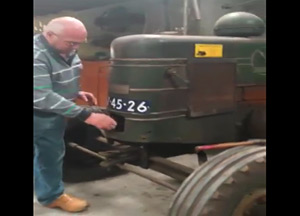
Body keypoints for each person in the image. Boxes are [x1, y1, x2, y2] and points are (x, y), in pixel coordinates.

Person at [34, 16, 117, 213]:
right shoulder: (36, 55)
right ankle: (51, 195)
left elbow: (57, 78)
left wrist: (75, 92)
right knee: (48, 154)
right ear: (49, 34)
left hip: (50, 112)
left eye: (79, 43)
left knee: (48, 154)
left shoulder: (66, 49)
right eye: (71, 43)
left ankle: (49, 193)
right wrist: (86, 115)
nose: (75, 47)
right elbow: (41, 96)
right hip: (39, 111)